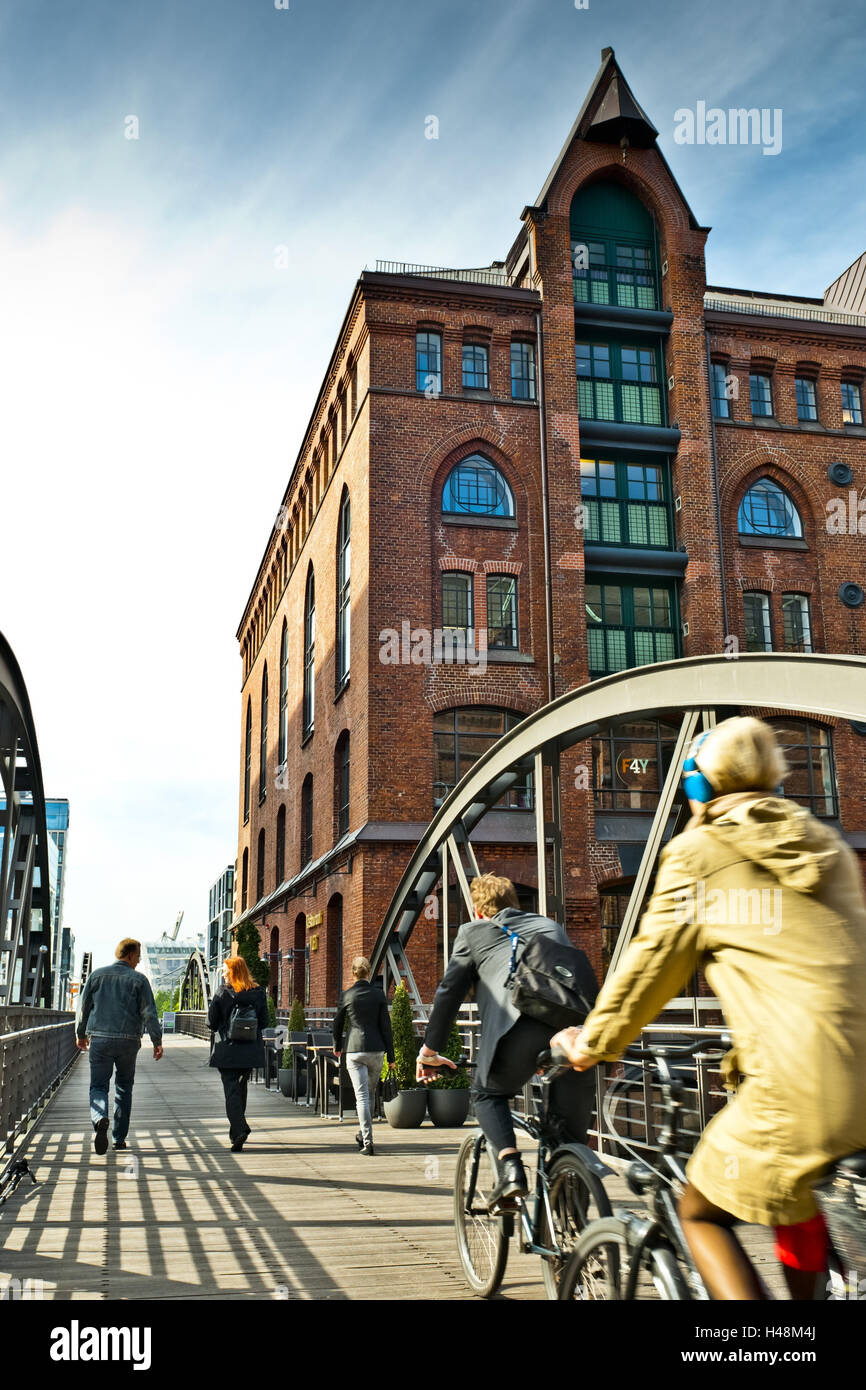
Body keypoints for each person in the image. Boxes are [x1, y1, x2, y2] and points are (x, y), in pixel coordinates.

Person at [551, 716, 866, 1301]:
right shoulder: (827, 845)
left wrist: (592, 1043)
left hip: (797, 1085)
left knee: (700, 1211)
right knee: (791, 1190)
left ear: (697, 788)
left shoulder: (699, 851)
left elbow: (650, 968)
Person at [417, 873, 598, 1208]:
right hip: (576, 1035)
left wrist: (430, 1049)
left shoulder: (474, 932)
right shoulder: (549, 926)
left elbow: (448, 994)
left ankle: (511, 1169)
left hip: (519, 1030)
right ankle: (577, 1232)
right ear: (514, 903)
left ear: (479, 911)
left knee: (486, 1095)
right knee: (569, 1141)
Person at [75, 937, 163, 1154]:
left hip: (100, 1040)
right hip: (128, 1041)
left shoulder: (97, 976)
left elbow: (83, 1008)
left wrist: (80, 1034)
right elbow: (149, 1013)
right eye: (138, 956)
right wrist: (156, 1041)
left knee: (98, 1086)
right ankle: (118, 1138)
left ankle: (99, 1118)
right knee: (124, 1087)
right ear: (131, 955)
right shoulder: (139, 980)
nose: (139, 961)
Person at [333, 956, 395, 1156]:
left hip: (354, 1049)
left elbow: (337, 1023)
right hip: (376, 1049)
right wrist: (392, 1057)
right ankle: (363, 1133)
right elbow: (386, 1028)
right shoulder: (378, 995)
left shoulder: (347, 995)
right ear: (368, 973)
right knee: (369, 1094)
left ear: (353, 973)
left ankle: (367, 1140)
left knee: (361, 1097)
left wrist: (337, 1045)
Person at [207, 956, 269, 1151]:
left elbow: (211, 1023)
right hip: (250, 1050)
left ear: (234, 972)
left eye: (226, 970)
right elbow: (265, 1022)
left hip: (228, 1049)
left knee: (231, 1091)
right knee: (240, 1089)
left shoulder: (222, 993)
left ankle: (240, 1128)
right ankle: (236, 1136)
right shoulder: (258, 993)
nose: (224, 974)